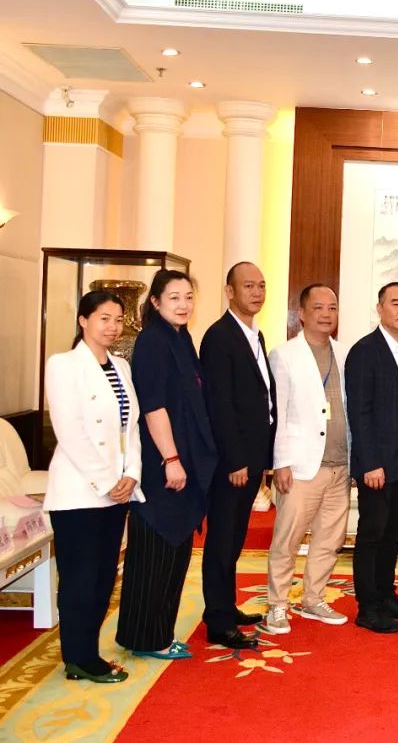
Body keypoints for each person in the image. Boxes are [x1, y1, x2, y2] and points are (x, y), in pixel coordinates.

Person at [117, 269, 217, 660]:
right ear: (156, 302)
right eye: (174, 297)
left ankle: (153, 633)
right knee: (154, 553)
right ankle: (147, 637)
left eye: (188, 297)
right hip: (164, 466)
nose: (183, 304)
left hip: (182, 462)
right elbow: (154, 406)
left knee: (172, 553)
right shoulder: (153, 342)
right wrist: (171, 459)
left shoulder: (180, 338)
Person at [45, 290, 142, 683]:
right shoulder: (63, 364)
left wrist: (132, 474)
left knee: (104, 578)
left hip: (117, 490)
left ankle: (88, 653)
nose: (112, 327)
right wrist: (106, 481)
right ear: (83, 320)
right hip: (79, 492)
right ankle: (79, 658)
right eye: (104, 318)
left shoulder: (121, 366)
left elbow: (130, 428)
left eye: (118, 319)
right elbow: (69, 431)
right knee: (80, 579)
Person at [263, 284, 351, 635]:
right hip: (300, 465)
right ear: (301, 313)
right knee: (288, 539)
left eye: (332, 307)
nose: (326, 314)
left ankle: (314, 598)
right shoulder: (284, 355)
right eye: (318, 307)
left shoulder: (344, 353)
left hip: (340, 464)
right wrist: (281, 462)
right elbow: (278, 412)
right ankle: (277, 605)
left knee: (330, 539)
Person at [199, 261, 277, 649]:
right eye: (248, 286)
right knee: (221, 539)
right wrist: (234, 460)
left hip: (252, 455)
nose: (256, 292)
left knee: (234, 538)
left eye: (261, 285)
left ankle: (225, 608)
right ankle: (218, 620)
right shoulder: (219, 336)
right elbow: (220, 404)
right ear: (229, 291)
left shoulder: (253, 334)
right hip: (233, 461)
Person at [346, 282, 398, 634]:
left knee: (393, 533)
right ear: (379, 309)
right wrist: (369, 463)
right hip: (378, 464)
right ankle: (368, 607)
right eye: (395, 303)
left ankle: (386, 595)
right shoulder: (365, 351)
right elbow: (359, 412)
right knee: (372, 534)